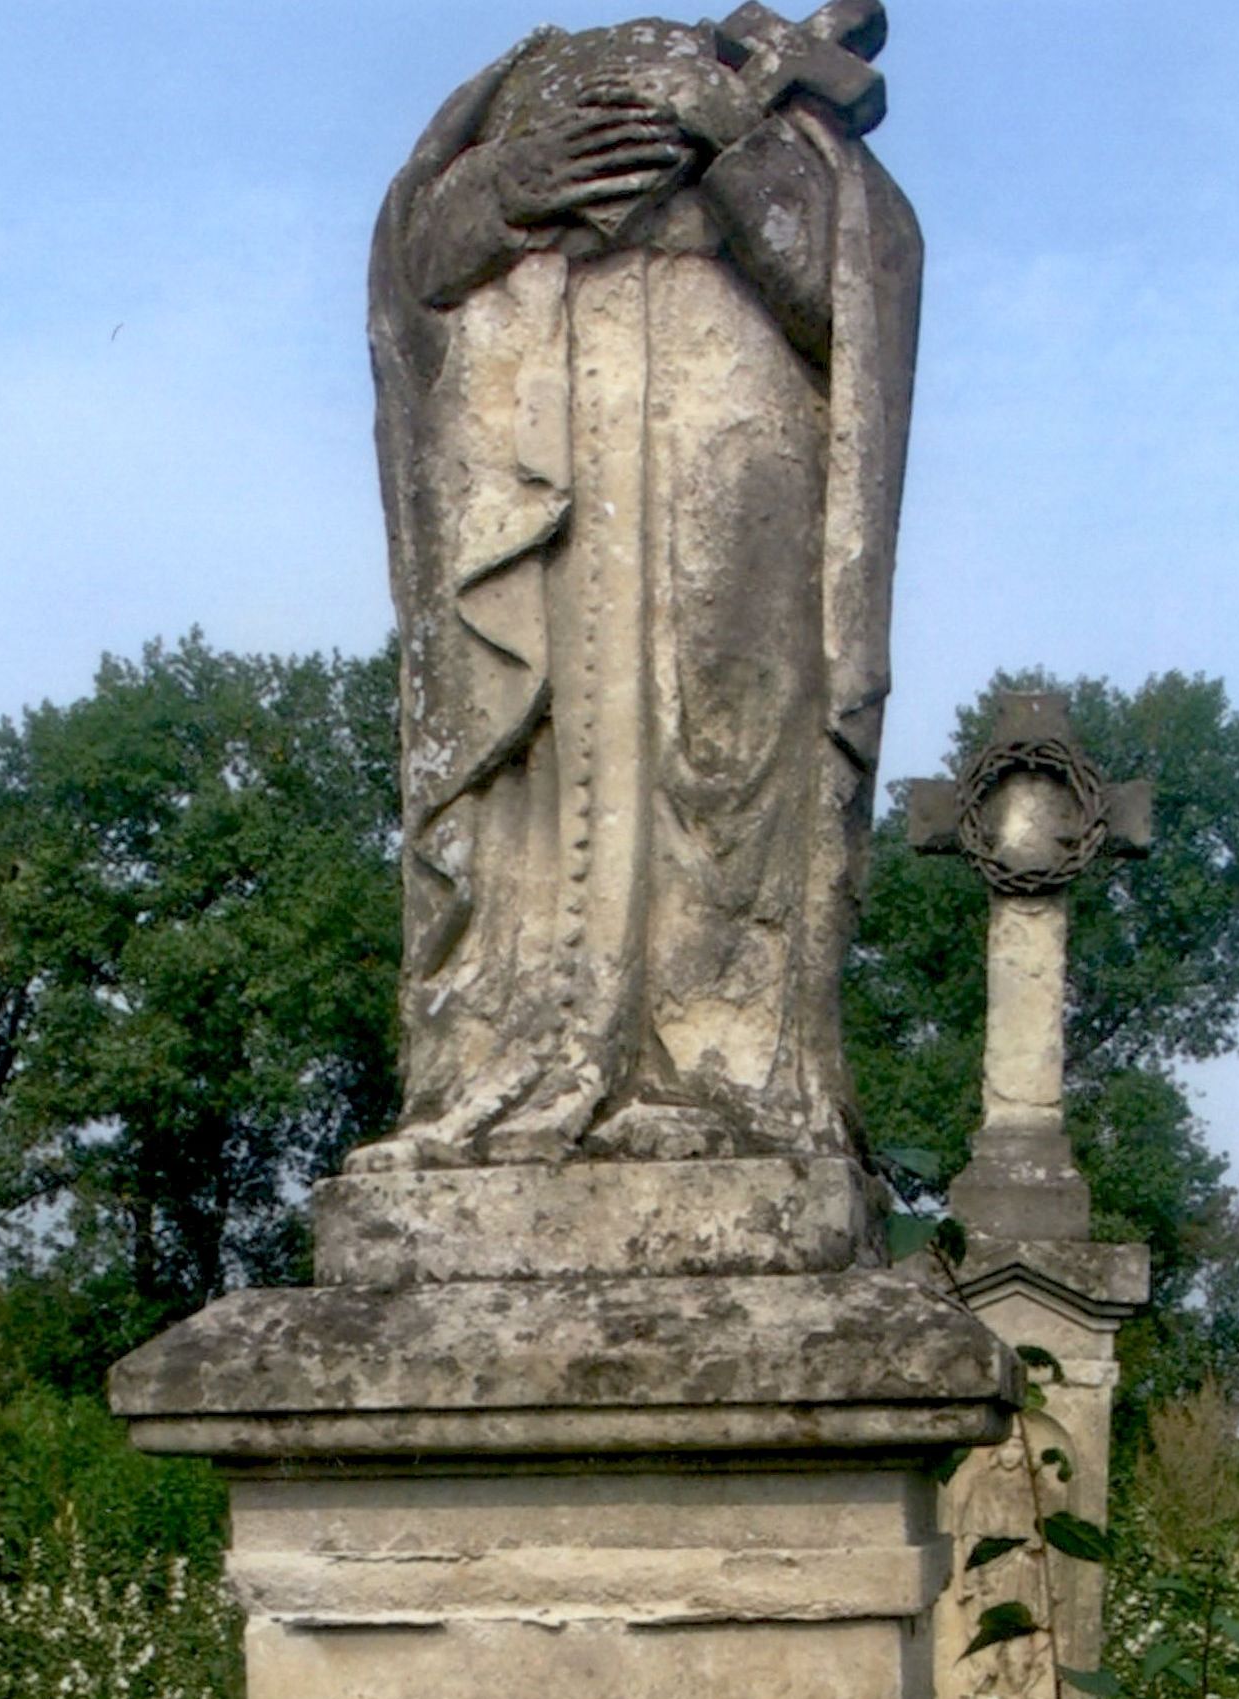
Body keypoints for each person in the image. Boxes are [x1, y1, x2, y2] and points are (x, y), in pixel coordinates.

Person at [358, 6, 922, 1171]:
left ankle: (726, 1085)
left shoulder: (793, 115)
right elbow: (416, 268)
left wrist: (729, 148)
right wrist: (510, 186)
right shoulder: (521, 73)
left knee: (728, 739)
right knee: (531, 746)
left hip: (726, 416)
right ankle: (498, 1065)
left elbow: (850, 308)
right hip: (529, 422)